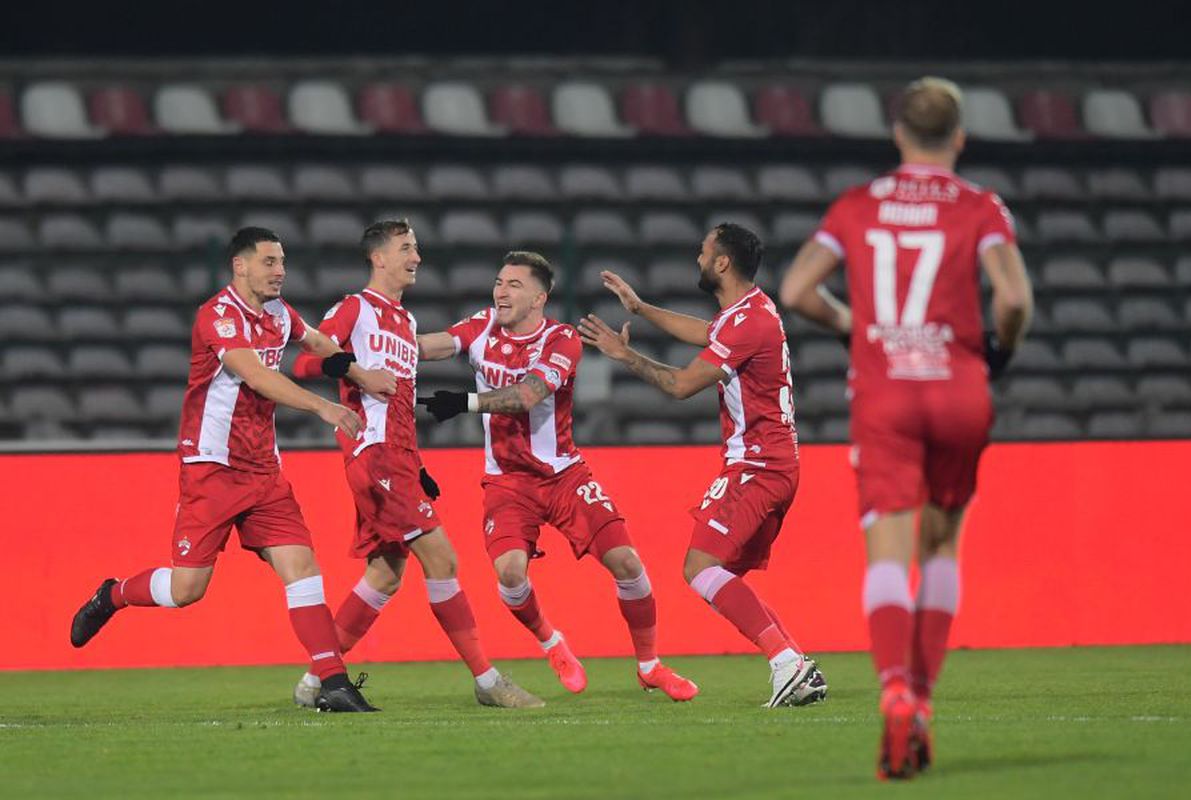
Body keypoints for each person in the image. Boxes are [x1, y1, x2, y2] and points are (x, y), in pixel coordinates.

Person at [778, 77, 1033, 779]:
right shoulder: (981, 207)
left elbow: (798, 289)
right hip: (958, 386)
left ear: (897, 135)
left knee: (888, 551)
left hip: (885, 389)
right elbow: (1012, 297)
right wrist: (997, 351)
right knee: (942, 547)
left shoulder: (858, 204)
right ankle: (921, 700)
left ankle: (893, 688)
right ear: (958, 138)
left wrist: (856, 326)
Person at [69, 226, 398, 712]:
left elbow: (319, 344)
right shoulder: (218, 315)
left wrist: (359, 372)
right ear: (239, 266)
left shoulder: (280, 314)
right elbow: (258, 376)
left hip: (264, 471)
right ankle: (112, 595)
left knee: (302, 569)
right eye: (268, 261)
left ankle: (334, 682)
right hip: (213, 468)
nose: (280, 270)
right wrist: (324, 408)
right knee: (187, 590)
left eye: (282, 261)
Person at [415, 251, 697, 702]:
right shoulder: (483, 325)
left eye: (513, 285)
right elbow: (434, 345)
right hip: (507, 482)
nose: (500, 292)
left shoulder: (562, 340)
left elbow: (528, 396)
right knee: (509, 573)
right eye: (498, 282)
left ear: (538, 298)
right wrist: (384, 339)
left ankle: (650, 665)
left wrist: (464, 402)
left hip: (564, 475)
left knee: (627, 563)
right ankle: (553, 643)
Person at [290, 220, 542, 708]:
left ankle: (314, 680)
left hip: (398, 458)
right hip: (375, 455)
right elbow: (304, 362)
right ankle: (488, 682)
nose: (417, 257)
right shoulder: (354, 308)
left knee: (385, 575)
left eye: (417, 248)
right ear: (379, 257)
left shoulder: (404, 325)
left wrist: (418, 466)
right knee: (444, 559)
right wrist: (358, 372)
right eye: (407, 248)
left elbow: (402, 400)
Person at [578, 223, 828, 709]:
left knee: (700, 568)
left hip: (757, 465)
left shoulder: (747, 323)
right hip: (773, 462)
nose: (696, 257)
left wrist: (624, 354)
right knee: (719, 574)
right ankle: (795, 661)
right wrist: (641, 309)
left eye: (703, 251)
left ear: (721, 264)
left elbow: (680, 386)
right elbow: (704, 331)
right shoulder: (750, 311)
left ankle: (786, 663)